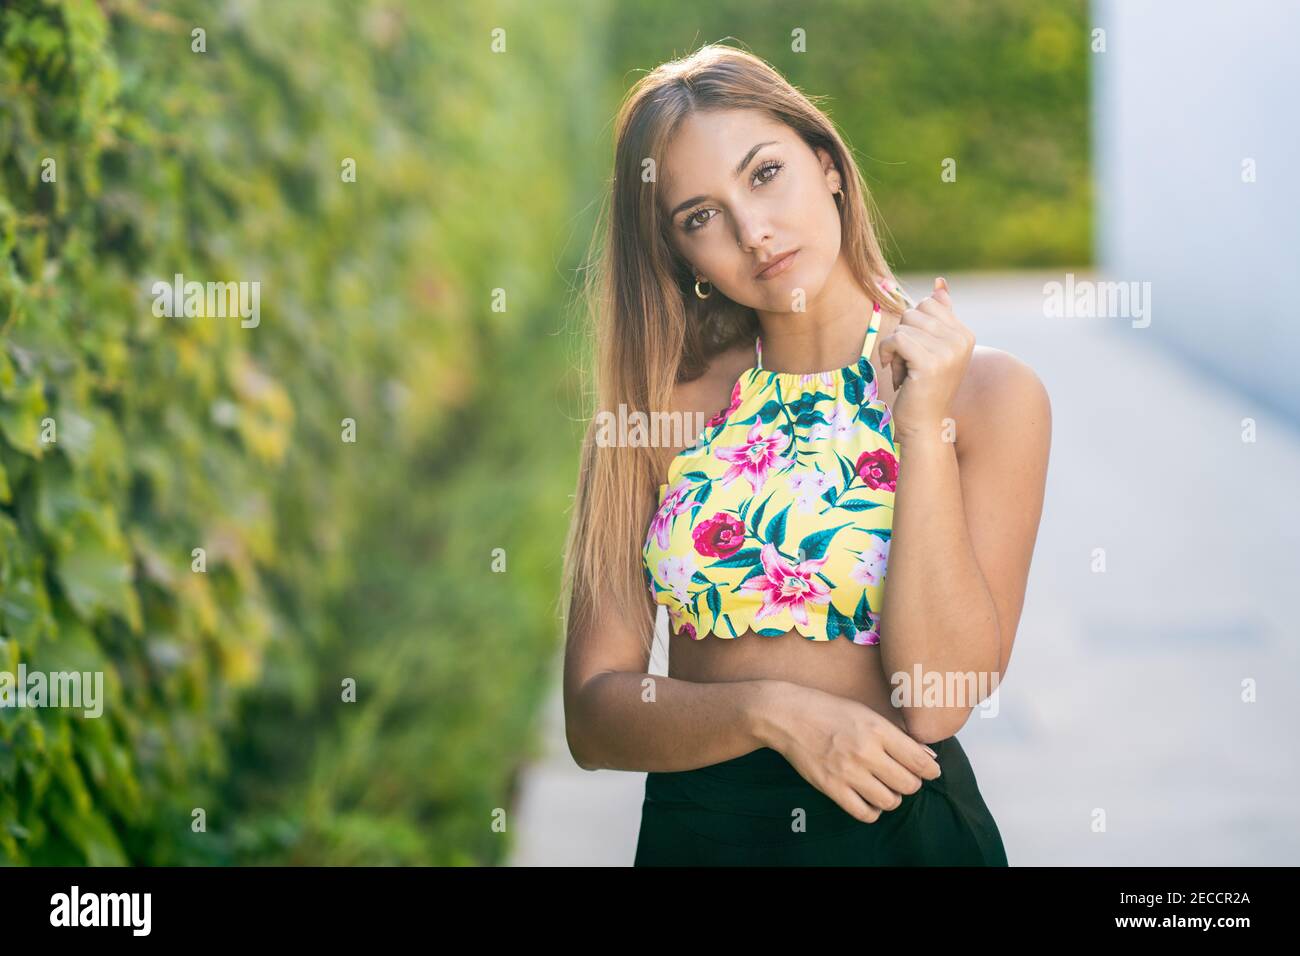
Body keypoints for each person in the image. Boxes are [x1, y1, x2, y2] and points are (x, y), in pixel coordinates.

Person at [559, 44, 1050, 866]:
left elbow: (936, 705)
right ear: (683, 255)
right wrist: (773, 712)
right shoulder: (653, 411)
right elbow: (593, 716)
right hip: (698, 840)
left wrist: (919, 427)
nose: (753, 232)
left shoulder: (986, 395)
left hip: (898, 835)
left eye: (764, 174)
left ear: (826, 163)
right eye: (700, 217)